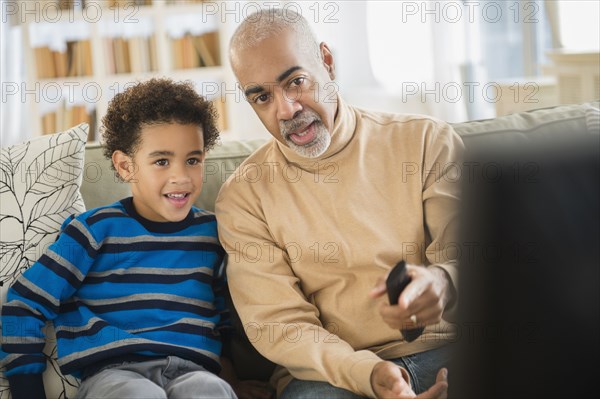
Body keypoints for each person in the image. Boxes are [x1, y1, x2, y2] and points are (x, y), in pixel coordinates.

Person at [215, 9, 463, 399]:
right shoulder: (243, 197)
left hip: (444, 351)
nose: (286, 110)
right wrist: (368, 374)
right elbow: (278, 324)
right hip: (331, 377)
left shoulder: (427, 141)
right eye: (262, 97)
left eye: (296, 82)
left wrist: (443, 282)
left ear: (327, 62)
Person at [0, 78, 271, 399]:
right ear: (125, 166)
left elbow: (223, 323)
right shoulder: (92, 231)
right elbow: (24, 303)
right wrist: (27, 390)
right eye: (161, 161)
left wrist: (233, 383)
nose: (181, 176)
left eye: (193, 160)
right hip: (115, 374)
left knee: (209, 390)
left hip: (195, 370)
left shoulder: (214, 234)